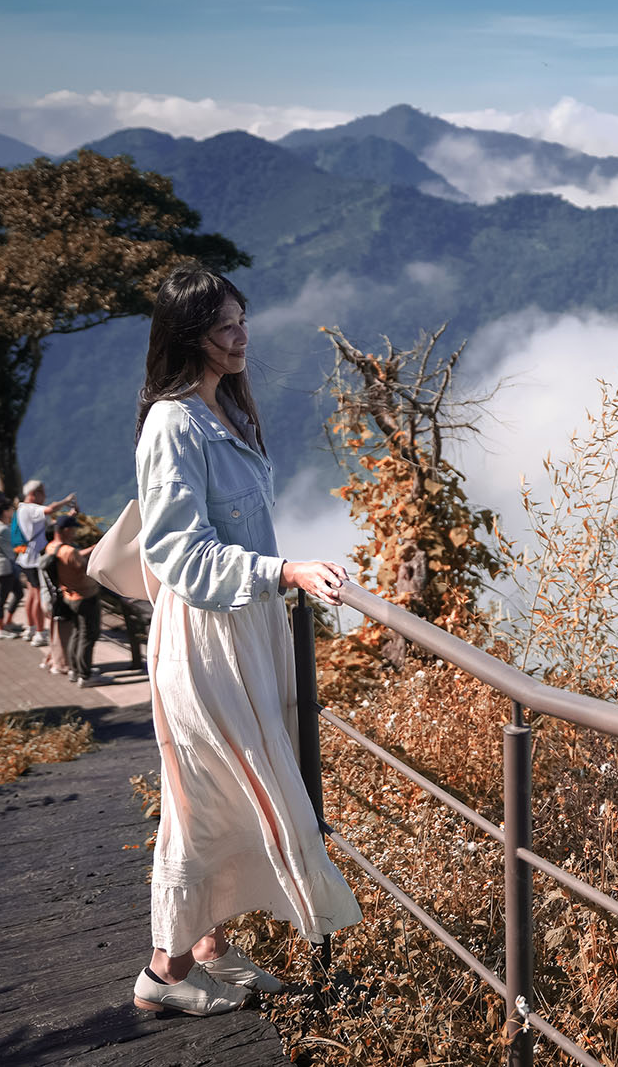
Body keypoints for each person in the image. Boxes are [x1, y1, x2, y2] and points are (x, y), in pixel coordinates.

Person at [130, 263, 361, 1016]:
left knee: (222, 794)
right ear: (189, 335)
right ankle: (163, 974)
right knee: (208, 799)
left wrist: (282, 573)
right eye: (224, 325)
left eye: (241, 319)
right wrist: (285, 569)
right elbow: (178, 552)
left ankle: (210, 949)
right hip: (206, 642)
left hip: (243, 633)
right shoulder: (175, 423)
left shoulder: (224, 408)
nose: (240, 336)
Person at [13, 480, 77, 662]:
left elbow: (49, 523)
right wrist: (66, 501)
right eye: (42, 492)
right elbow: (49, 510)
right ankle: (40, 632)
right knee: (37, 595)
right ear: (34, 493)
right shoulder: (30, 508)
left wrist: (69, 516)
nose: (45, 497)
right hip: (35, 557)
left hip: (26, 556)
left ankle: (32, 627)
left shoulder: (23, 509)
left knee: (31, 595)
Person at [47, 516, 107, 686]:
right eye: (73, 529)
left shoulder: (52, 547)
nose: (75, 532)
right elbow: (87, 568)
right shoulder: (69, 551)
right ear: (65, 530)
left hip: (69, 596)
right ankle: (86, 675)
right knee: (88, 635)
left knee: (77, 633)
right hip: (85, 596)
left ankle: (75, 669)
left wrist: (92, 548)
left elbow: (71, 558)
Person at [0, 494, 26, 637]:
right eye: (10, 509)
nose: (13, 512)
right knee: (1, 599)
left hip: (5, 567)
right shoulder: (2, 529)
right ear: (5, 511)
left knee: (19, 593)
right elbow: (13, 549)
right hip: (3, 568)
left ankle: (7, 622)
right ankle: (0, 629)